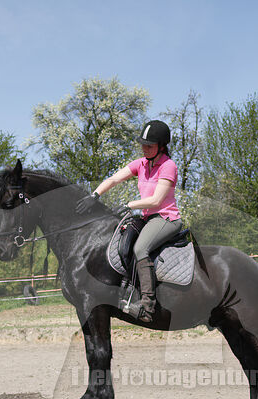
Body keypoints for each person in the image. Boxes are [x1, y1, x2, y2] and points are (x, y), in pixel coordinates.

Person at [75, 120, 183, 322]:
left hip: (166, 218)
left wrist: (129, 205)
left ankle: (148, 306)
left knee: (140, 248)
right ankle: (127, 292)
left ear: (161, 146)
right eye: (143, 144)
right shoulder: (141, 164)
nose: (144, 148)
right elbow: (115, 179)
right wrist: (95, 195)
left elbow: (157, 200)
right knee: (120, 240)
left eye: (149, 145)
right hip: (146, 217)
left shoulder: (168, 166)